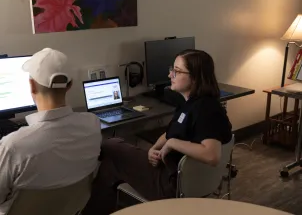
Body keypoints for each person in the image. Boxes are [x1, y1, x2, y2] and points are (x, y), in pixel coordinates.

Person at [0, 48, 102, 215]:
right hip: (67, 209)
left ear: (32, 85)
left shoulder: (14, 144)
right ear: (69, 85)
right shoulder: (92, 124)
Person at [82, 49, 232, 215]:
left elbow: (212, 155)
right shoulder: (190, 104)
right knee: (110, 166)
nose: (170, 75)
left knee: (110, 145)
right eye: (171, 69)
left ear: (195, 77)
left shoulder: (206, 110)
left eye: (177, 71)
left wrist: (172, 143)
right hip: (170, 171)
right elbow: (170, 133)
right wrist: (155, 148)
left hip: (172, 184)